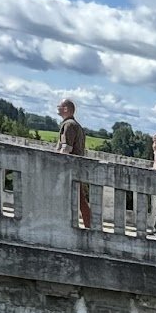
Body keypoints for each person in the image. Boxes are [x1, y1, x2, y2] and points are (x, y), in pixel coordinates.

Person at [57, 97, 89, 228]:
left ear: (65, 109)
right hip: (77, 168)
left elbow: (66, 148)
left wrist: (54, 161)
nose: (57, 108)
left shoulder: (68, 125)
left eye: (59, 106)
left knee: (78, 200)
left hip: (69, 169)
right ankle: (88, 225)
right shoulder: (77, 126)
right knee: (80, 199)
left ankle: (88, 226)